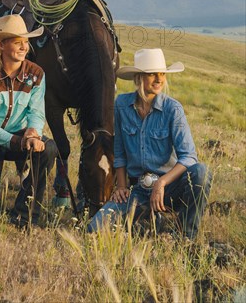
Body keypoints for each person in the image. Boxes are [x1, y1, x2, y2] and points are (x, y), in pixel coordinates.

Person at [87, 48, 211, 239]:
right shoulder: (121, 105)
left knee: (201, 172)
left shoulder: (173, 109)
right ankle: (150, 216)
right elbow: (119, 151)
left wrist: (161, 183)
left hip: (170, 188)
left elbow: (189, 157)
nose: (159, 79)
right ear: (138, 78)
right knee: (94, 229)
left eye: (162, 74)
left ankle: (185, 236)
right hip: (138, 190)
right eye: (152, 74)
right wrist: (121, 186)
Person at [0, 15, 57, 227]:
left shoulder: (36, 74)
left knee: (48, 148)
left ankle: (25, 214)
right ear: (1, 45)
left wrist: (32, 133)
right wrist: (17, 141)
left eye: (26, 42)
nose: (24, 47)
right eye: (17, 42)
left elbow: (36, 111)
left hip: (19, 137)